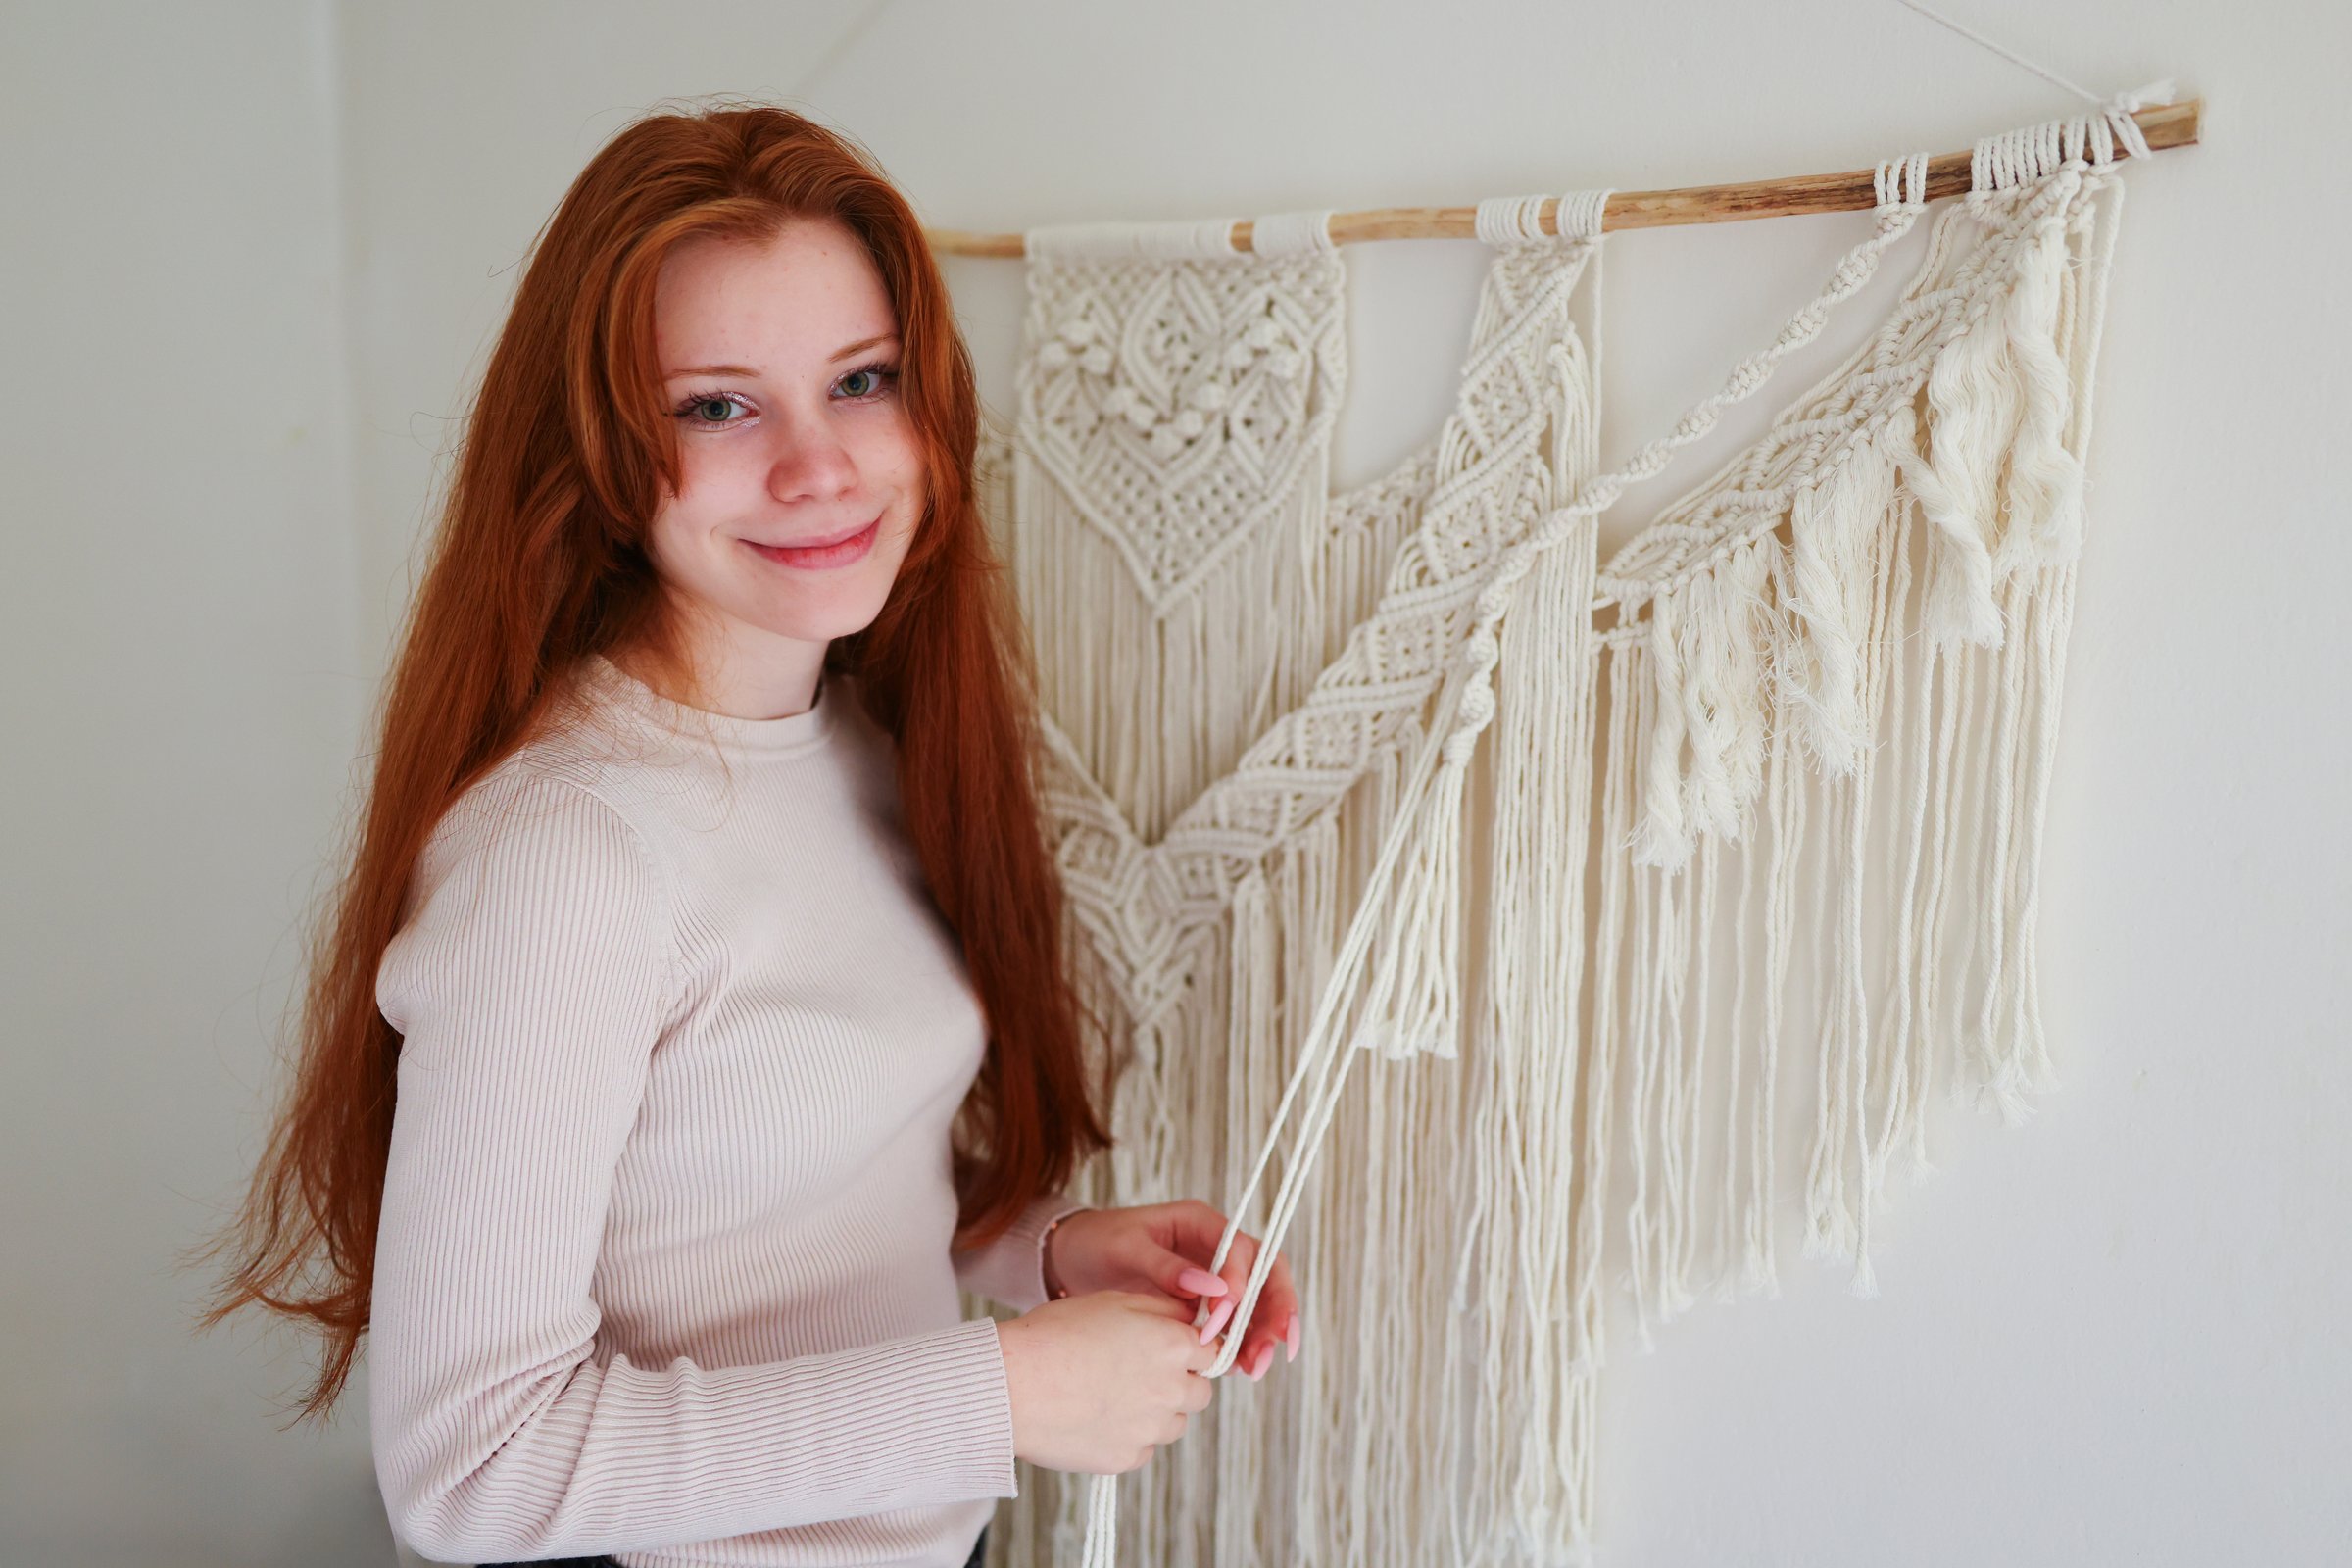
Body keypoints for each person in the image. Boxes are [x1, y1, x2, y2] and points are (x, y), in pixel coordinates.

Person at [191, 101, 1302, 1568]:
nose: (818, 465)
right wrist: (1001, 1390)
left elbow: (767, 1191)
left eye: (861, 380)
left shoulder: (855, 745)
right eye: (719, 405)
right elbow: (473, 1473)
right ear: (600, 450)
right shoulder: (569, 855)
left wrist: (1041, 1253)